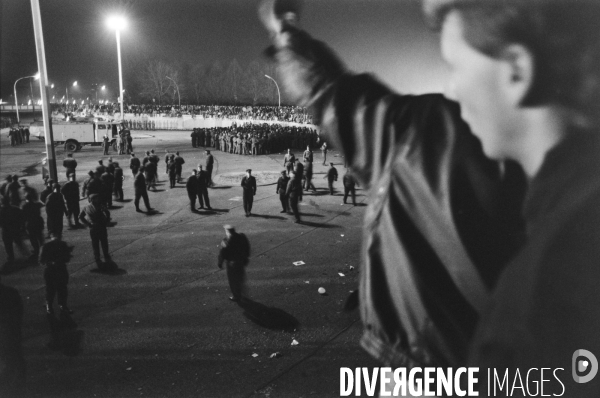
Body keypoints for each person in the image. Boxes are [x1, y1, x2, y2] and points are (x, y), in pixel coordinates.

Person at [260, 0, 527, 373]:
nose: (452, 86)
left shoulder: (428, 137)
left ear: (519, 69)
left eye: (459, 66)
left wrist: (286, 33)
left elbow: (330, 93)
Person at [0, 276, 26, 395]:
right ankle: (18, 381)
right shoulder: (11, 292)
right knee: (15, 357)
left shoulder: (8, 294)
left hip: (6, 332)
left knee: (10, 358)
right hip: (11, 332)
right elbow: (18, 313)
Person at [39, 233, 73, 315]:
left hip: (51, 270)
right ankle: (61, 306)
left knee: (52, 289)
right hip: (59, 269)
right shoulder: (62, 244)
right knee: (60, 289)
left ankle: (50, 306)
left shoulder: (46, 246)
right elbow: (67, 258)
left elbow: (41, 260)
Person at [218, 225, 251, 302]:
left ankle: (236, 295)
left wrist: (220, 262)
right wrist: (246, 257)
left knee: (233, 280)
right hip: (241, 261)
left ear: (227, 232)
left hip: (232, 263)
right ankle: (242, 293)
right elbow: (247, 247)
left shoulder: (226, 240)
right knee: (240, 277)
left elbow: (222, 253)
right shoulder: (242, 236)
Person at [79, 194, 112, 269]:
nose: (98, 199)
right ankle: (104, 255)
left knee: (97, 243)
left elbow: (80, 217)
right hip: (98, 226)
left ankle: (98, 256)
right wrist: (106, 219)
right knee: (101, 242)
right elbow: (107, 214)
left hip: (94, 227)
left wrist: (88, 224)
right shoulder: (99, 206)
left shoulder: (88, 207)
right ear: (92, 199)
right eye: (96, 198)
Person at [0, 196, 26, 269]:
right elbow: (22, 218)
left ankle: (11, 258)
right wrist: (22, 227)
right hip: (15, 229)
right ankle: (24, 256)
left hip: (6, 231)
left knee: (8, 245)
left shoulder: (1, 210)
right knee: (19, 242)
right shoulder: (15, 208)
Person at [21, 192, 44, 260]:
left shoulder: (25, 206)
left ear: (26, 199)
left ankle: (36, 250)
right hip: (38, 222)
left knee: (33, 238)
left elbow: (23, 217)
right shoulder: (37, 204)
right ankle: (42, 250)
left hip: (30, 223)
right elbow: (42, 205)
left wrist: (23, 227)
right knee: (40, 237)